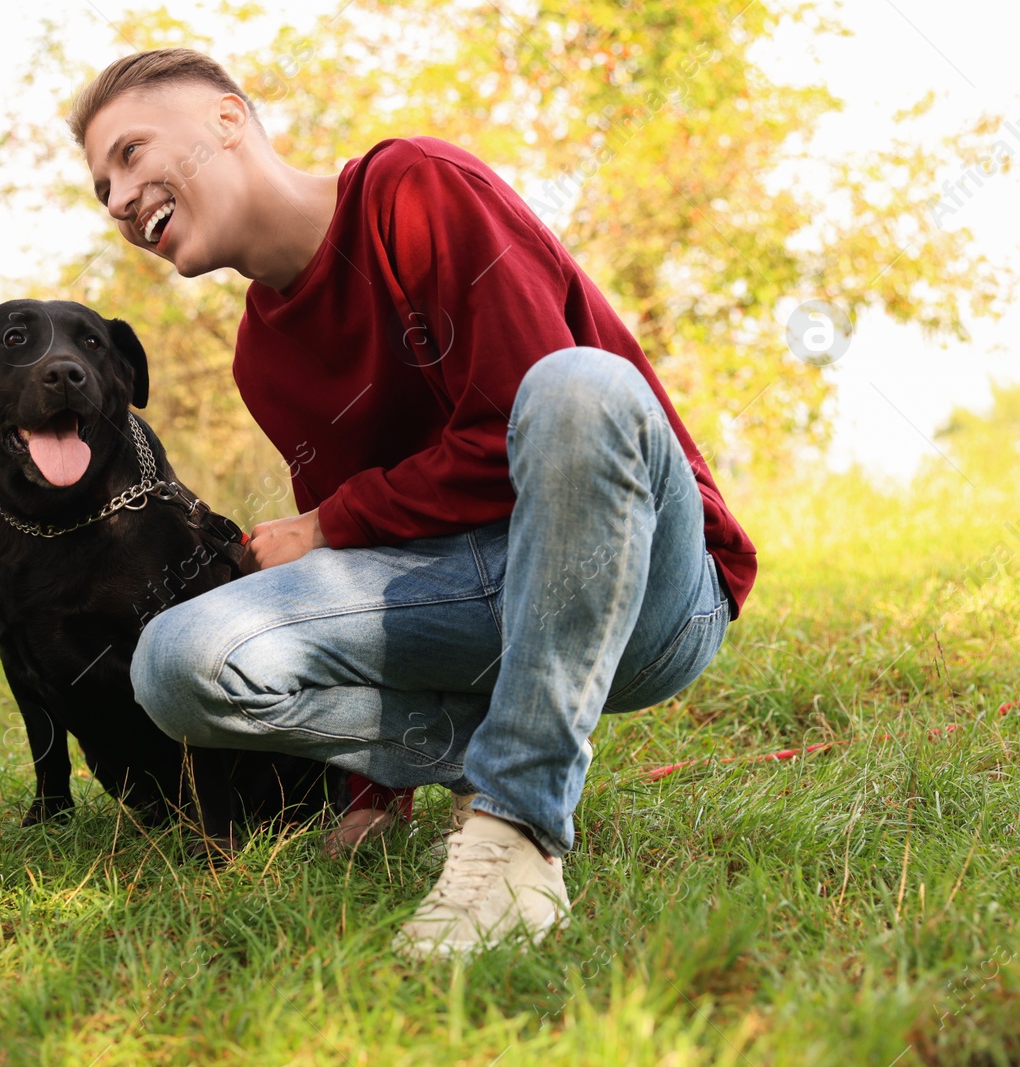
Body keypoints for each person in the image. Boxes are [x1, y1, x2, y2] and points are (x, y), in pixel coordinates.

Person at [70, 48, 755, 959]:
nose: (117, 199)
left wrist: (327, 521)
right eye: (99, 187)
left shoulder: (414, 189)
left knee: (578, 388)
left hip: (643, 591)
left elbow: (519, 430)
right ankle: (493, 748)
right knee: (176, 661)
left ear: (228, 122)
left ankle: (517, 829)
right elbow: (354, 571)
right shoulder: (260, 358)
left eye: (129, 153)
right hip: (476, 605)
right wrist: (370, 796)